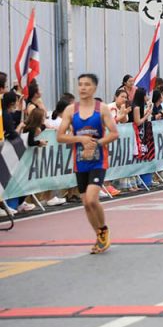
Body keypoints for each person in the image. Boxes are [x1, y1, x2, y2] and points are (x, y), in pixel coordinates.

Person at [56, 74, 120, 254]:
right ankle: (100, 235)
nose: (83, 88)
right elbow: (60, 136)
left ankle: (104, 230)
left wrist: (97, 143)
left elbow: (114, 133)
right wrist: (80, 139)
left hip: (98, 161)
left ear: (94, 88)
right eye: (80, 84)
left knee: (92, 199)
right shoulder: (71, 110)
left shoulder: (102, 109)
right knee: (86, 203)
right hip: (80, 162)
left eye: (87, 85)